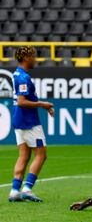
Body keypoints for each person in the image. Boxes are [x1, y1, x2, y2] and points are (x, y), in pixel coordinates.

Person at [9, 46, 54, 202]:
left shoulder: (17, 74)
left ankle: (15, 191)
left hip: (18, 120)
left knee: (24, 155)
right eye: (34, 56)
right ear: (27, 57)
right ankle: (27, 189)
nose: (36, 59)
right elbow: (22, 102)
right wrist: (43, 104)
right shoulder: (23, 78)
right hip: (29, 122)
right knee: (41, 154)